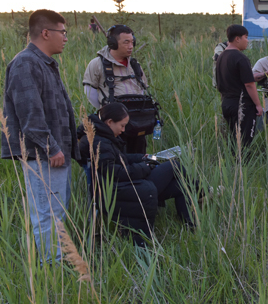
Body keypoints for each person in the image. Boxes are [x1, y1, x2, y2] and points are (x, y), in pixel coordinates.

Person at [1, 9, 79, 263]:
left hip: (55, 152)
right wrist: (51, 147)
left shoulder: (44, 63)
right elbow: (29, 114)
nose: (65, 38)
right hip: (43, 154)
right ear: (46, 33)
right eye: (62, 32)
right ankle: (52, 266)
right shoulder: (26, 64)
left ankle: (59, 262)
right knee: (47, 213)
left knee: (57, 211)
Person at [78, 103, 199, 246]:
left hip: (127, 184)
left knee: (180, 184)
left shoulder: (101, 136)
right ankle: (202, 191)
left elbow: (119, 159)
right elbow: (115, 173)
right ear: (109, 122)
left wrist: (142, 158)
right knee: (175, 166)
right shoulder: (99, 142)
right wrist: (145, 167)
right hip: (123, 189)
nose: (123, 130)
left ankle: (190, 225)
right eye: (122, 126)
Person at [83, 24, 152, 154]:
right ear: (113, 43)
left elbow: (142, 90)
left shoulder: (134, 65)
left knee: (139, 156)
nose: (130, 46)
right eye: (126, 42)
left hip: (138, 122)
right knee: (118, 158)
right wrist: (108, 111)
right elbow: (90, 92)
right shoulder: (97, 64)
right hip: (113, 126)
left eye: (132, 42)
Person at [215, 25, 264, 150]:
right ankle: (243, 162)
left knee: (234, 139)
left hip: (226, 103)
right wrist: (258, 105)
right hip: (242, 105)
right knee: (245, 142)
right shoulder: (240, 58)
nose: (247, 41)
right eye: (246, 37)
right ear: (237, 39)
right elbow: (249, 84)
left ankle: (233, 162)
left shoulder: (221, 57)